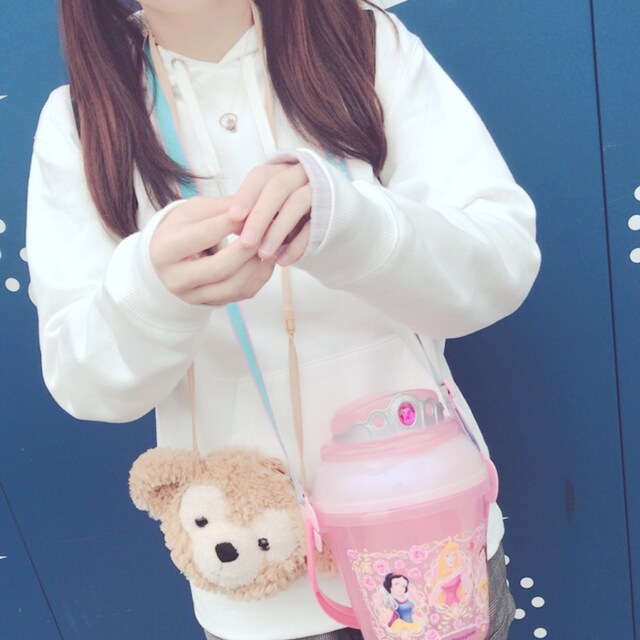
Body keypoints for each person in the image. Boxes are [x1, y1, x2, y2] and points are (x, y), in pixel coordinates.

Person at [26, 1, 541, 639]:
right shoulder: (80, 120)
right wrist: (152, 294)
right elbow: (82, 382)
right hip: (256, 589)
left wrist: (355, 226)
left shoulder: (362, 39)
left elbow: (503, 262)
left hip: (433, 548)